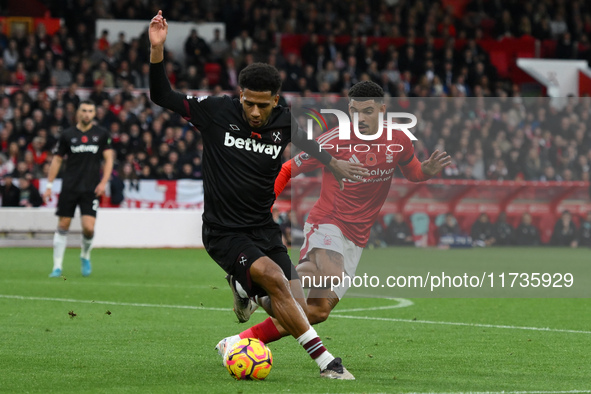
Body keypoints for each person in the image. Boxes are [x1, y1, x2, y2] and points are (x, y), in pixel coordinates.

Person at [148, 10, 368, 380]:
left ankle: (243, 296)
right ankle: (327, 363)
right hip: (223, 232)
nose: (253, 111)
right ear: (240, 95)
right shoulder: (215, 111)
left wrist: (335, 164)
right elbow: (161, 94)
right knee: (275, 279)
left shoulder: (285, 120)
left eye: (262, 105)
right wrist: (157, 50)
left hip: (263, 231)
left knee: (304, 309)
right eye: (248, 102)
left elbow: (310, 144)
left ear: (276, 100)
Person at [216, 81, 450, 371]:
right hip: (329, 221)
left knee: (316, 311)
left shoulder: (399, 140)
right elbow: (289, 168)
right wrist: (262, 207)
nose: (361, 118)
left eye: (367, 112)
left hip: (357, 237)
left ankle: (239, 336)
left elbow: (412, 170)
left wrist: (425, 170)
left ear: (382, 110)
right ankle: (263, 283)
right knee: (329, 270)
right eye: (355, 111)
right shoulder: (335, 140)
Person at [43, 101, 114, 278]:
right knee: (63, 224)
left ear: (94, 113)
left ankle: (85, 256)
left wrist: (104, 182)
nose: (87, 114)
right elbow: (57, 159)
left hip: (91, 188)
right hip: (70, 186)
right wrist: (49, 185)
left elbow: (109, 159)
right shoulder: (67, 135)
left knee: (89, 228)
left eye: (90, 111)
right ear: (78, 113)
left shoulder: (101, 134)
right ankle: (57, 266)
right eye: (84, 110)